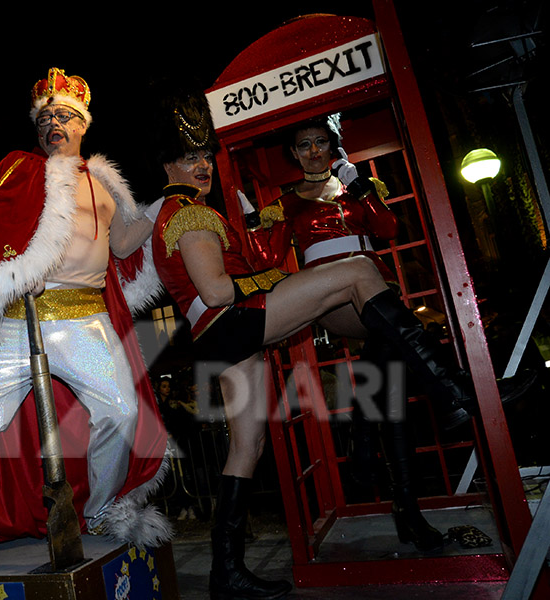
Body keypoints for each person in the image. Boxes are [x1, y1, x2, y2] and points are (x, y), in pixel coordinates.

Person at [148, 86, 525, 600]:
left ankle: (226, 572)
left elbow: (386, 227)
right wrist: (270, 276)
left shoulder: (181, 211)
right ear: (167, 163)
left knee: (248, 446)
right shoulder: (191, 214)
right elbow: (217, 289)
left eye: (207, 156)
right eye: (191, 158)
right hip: (235, 320)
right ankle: (452, 391)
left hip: (223, 336)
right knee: (359, 271)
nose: (204, 166)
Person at [0, 68, 170, 578]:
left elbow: (123, 244)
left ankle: (100, 509)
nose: (54, 123)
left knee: (121, 415)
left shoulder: (103, 183)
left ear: (83, 124)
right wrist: (17, 272)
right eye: (46, 118)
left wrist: (175, 197)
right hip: (21, 317)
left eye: (64, 115)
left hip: (87, 321)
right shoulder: (19, 170)